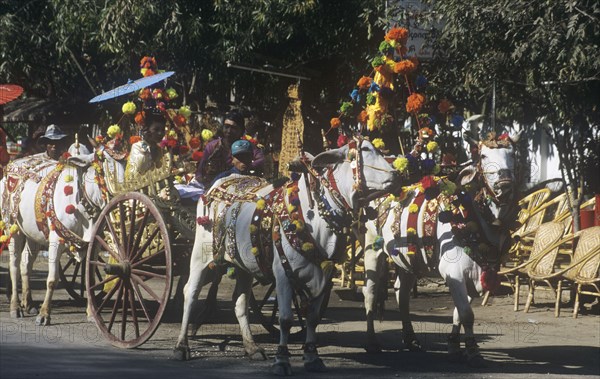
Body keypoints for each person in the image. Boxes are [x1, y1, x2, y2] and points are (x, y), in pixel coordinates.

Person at [195, 110, 264, 186]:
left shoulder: (245, 146)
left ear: (241, 130)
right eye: (226, 127)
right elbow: (200, 173)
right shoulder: (212, 146)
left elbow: (261, 159)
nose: (229, 131)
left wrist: (244, 165)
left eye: (233, 128)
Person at [125, 112, 166, 181]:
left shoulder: (159, 149)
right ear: (146, 130)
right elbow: (134, 175)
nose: (160, 133)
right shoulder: (138, 147)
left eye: (162, 130)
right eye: (156, 130)